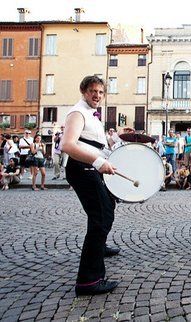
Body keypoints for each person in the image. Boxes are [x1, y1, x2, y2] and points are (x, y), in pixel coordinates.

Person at [61, 75, 120, 296]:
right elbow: (67, 144)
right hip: (82, 168)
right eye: (93, 91)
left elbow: (96, 145)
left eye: (101, 92)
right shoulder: (77, 113)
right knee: (101, 216)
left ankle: (99, 246)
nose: (97, 95)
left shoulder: (92, 115)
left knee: (107, 207)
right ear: (84, 91)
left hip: (91, 168)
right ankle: (88, 281)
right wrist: (98, 162)